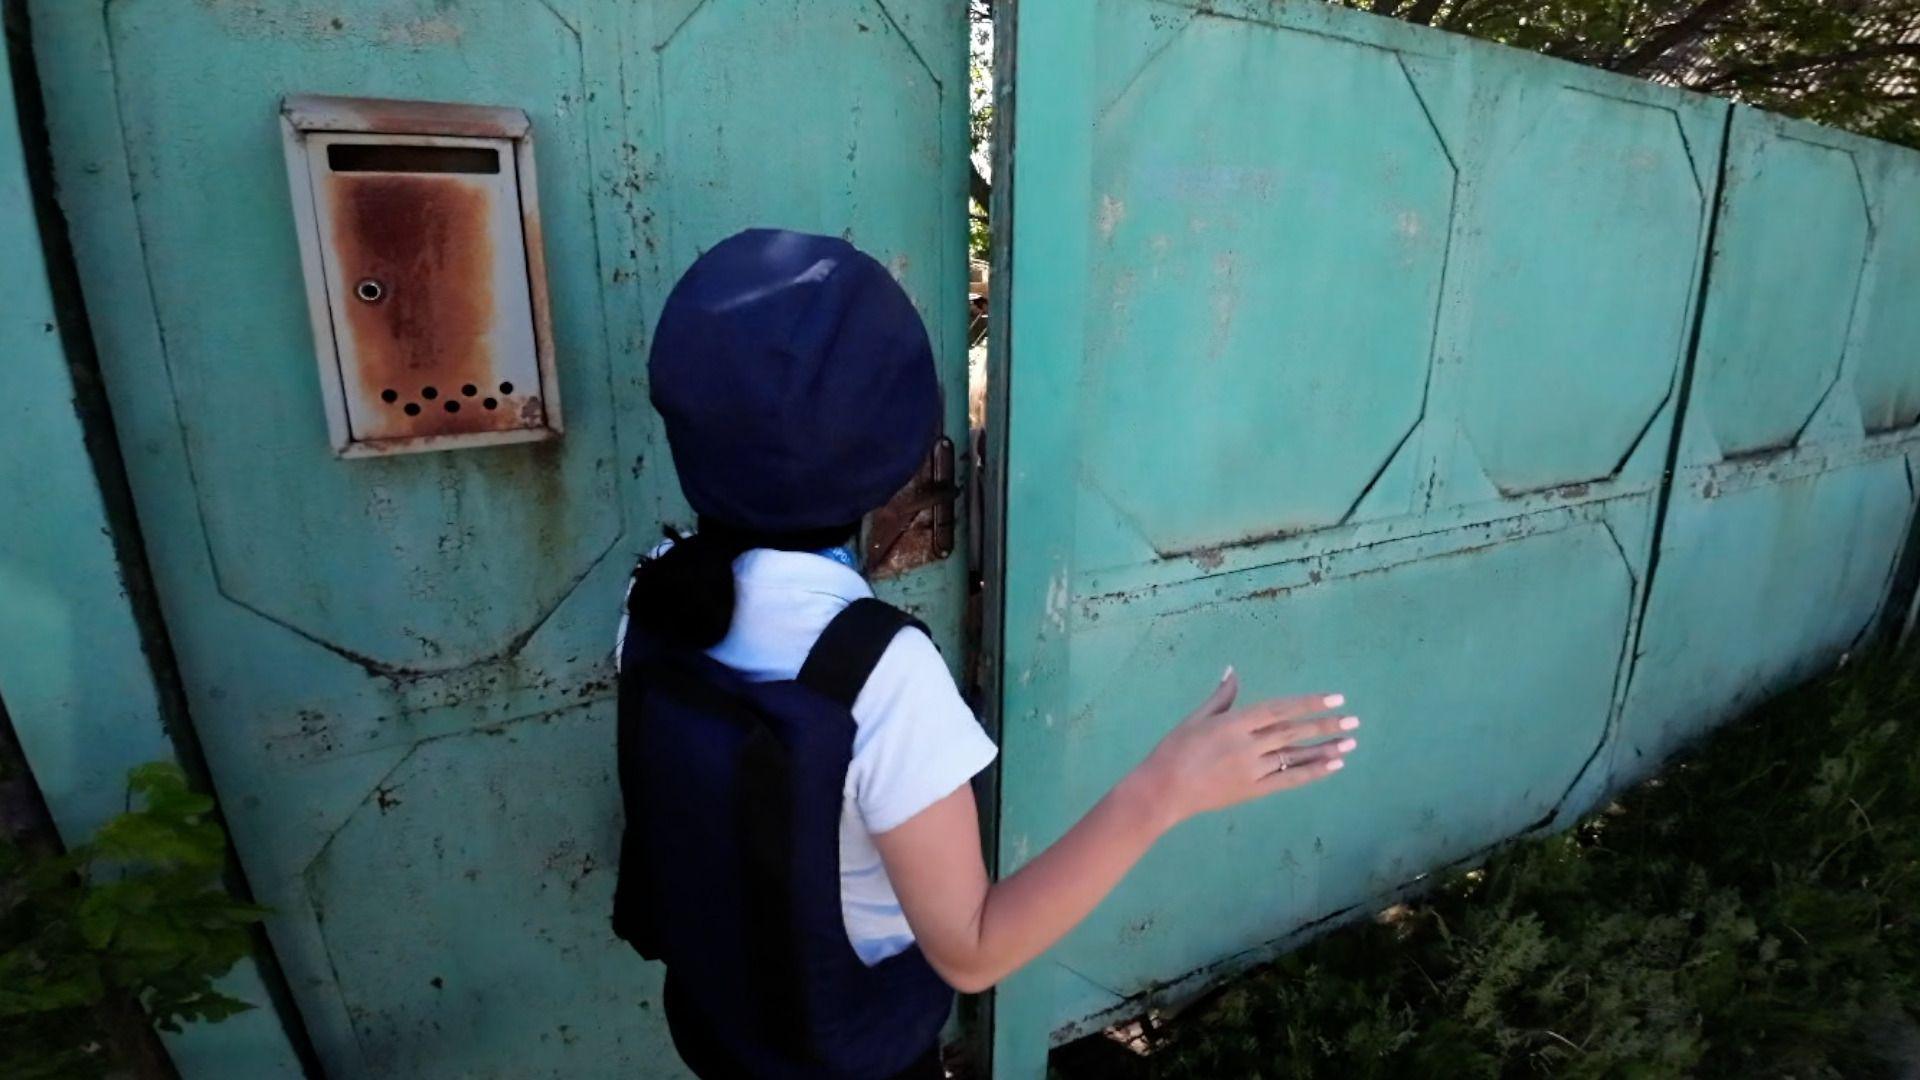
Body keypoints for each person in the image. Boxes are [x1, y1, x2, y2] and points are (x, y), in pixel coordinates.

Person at [612, 229, 1360, 1079]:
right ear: (891, 452)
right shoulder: (877, 672)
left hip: (720, 1026)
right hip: (840, 1057)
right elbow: (971, 950)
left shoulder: (654, 592)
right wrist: (1166, 789)